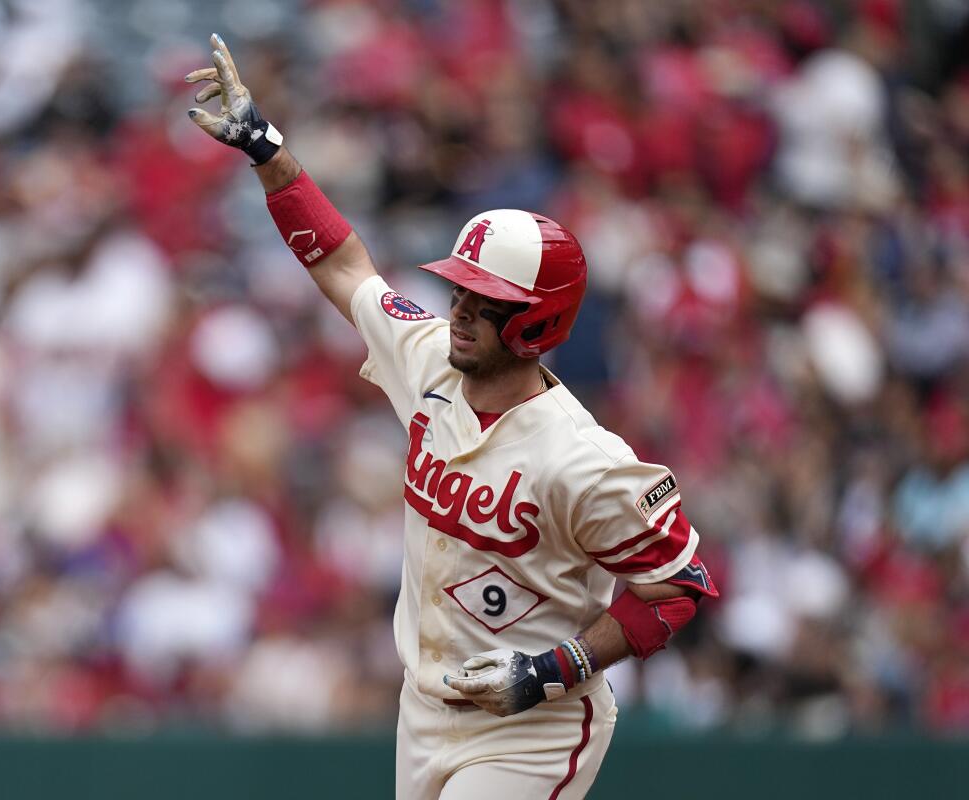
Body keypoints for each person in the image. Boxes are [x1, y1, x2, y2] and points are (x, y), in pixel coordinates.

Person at [185, 35, 719, 800]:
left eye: (484, 302)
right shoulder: (430, 355)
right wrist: (266, 148)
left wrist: (551, 670)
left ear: (536, 322)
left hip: (533, 725)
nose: (459, 311)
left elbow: (683, 584)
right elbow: (343, 265)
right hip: (425, 707)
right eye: (459, 291)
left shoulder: (582, 458)